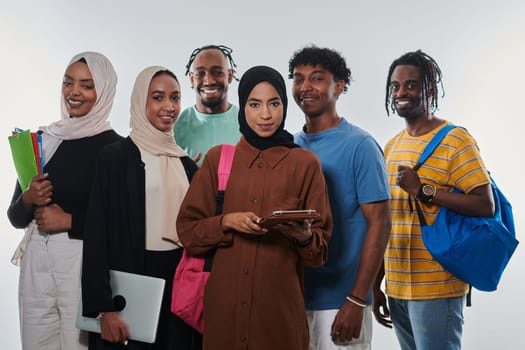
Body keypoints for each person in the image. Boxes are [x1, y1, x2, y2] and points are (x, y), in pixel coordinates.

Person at [177, 65, 332, 350]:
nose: (265, 115)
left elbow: (320, 252)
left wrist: (304, 237)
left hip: (279, 322)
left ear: (284, 105)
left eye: (274, 103)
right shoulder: (217, 160)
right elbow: (187, 231)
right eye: (254, 104)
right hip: (223, 319)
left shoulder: (306, 164)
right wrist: (226, 222)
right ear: (242, 107)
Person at [372, 50, 494, 350]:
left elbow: (485, 204)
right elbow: (386, 223)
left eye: (411, 85)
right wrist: (377, 285)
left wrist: (424, 190)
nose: (401, 92)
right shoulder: (391, 147)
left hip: (437, 287)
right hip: (397, 286)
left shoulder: (455, 140)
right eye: (395, 86)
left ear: (430, 89)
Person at [7, 52, 123, 350]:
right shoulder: (44, 139)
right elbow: (16, 217)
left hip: (82, 261)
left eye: (87, 85)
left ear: (104, 91)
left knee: (77, 344)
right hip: (36, 258)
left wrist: (71, 221)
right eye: (68, 82)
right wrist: (29, 197)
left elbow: (122, 224)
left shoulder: (116, 150)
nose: (74, 92)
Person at [81, 66, 201, 350]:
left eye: (175, 98)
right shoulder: (113, 158)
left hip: (176, 282)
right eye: (158, 97)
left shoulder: (186, 164)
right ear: (140, 101)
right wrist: (104, 308)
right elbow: (96, 235)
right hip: (130, 279)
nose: (168, 107)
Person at [288, 45, 391, 350]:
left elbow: (380, 225)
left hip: (341, 302)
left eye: (316, 78)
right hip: (295, 299)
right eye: (298, 78)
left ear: (339, 86)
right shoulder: (290, 147)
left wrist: (358, 300)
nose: (305, 87)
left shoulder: (361, 146)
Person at [173, 44, 242, 165]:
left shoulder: (246, 122)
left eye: (217, 72)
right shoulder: (176, 125)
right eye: (200, 73)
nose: (209, 81)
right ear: (191, 78)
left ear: (230, 75)